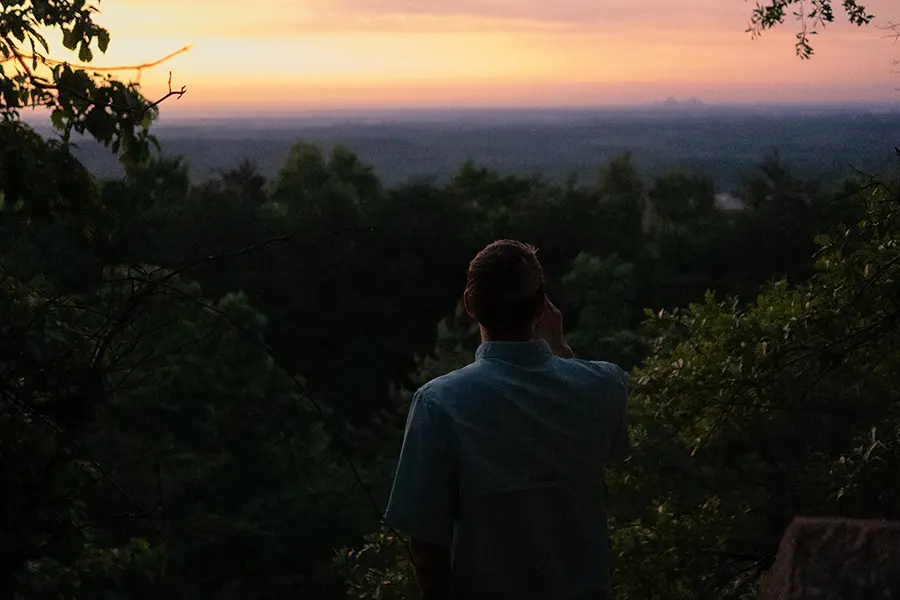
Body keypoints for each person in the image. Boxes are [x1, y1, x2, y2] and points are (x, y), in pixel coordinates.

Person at [383, 239, 629, 600]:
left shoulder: (440, 403)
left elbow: (428, 547)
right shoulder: (605, 384)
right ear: (543, 306)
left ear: (469, 304)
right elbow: (609, 450)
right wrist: (560, 350)